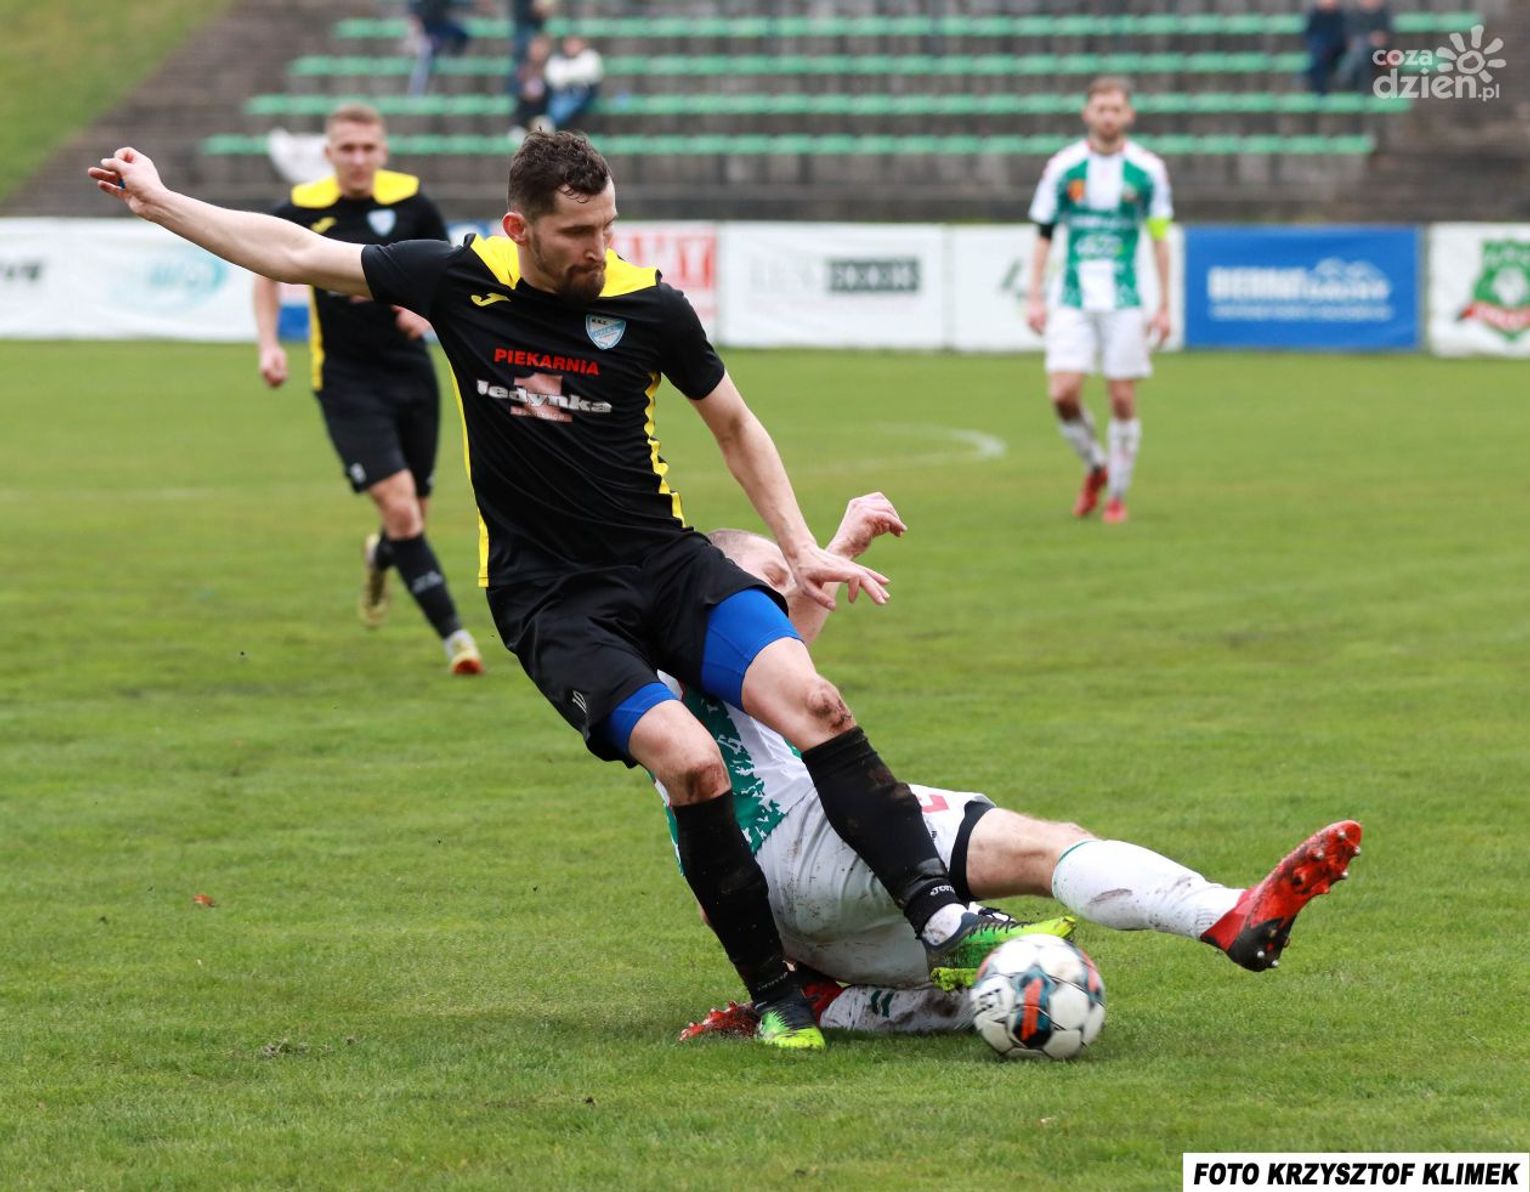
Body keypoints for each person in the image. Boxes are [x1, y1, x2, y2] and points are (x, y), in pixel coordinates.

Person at [90, 131, 1014, 1052]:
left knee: (816, 704)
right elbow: (294, 252)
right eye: (577, 233)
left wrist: (802, 549)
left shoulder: (650, 305)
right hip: (552, 600)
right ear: (519, 228)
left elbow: (735, 425)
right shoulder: (457, 280)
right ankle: (775, 993)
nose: (598, 248)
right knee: (691, 764)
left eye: (608, 225)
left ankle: (945, 922)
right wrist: (161, 200)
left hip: (667, 563)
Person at [665, 496, 1362, 1038]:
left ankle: (819, 999)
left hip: (770, 912)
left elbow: (778, 656)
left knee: (998, 984)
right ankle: (1227, 914)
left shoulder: (670, 691)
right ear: (713, 587)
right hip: (822, 838)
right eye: (768, 581)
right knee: (1047, 847)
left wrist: (836, 551)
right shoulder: (692, 632)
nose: (778, 597)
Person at [251, 104, 483, 676]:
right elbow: (263, 268)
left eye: (367, 148)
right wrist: (269, 344)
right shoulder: (301, 208)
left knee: (411, 518)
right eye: (347, 149)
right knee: (402, 510)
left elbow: (449, 274)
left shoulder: (412, 202)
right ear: (328, 153)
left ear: (383, 152)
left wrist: (426, 315)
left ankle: (381, 554)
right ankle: (456, 639)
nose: (357, 159)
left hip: (411, 374)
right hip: (345, 380)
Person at [1025, 76, 1173, 526]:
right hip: (1072, 296)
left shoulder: (1148, 170)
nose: (1108, 116)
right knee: (1062, 393)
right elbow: (1044, 233)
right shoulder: (1063, 167)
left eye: (1116, 109)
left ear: (1129, 115)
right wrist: (1034, 296)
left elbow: (1160, 237)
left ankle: (1118, 497)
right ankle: (1096, 465)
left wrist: (1165, 305)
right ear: (1087, 113)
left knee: (1122, 399)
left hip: (1124, 299)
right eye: (1101, 108)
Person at [544, 35, 604, 131]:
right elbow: (552, 79)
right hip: (561, 95)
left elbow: (592, 75)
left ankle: (551, 125)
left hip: (585, 95)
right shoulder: (556, 59)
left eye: (574, 44)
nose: (571, 47)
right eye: (568, 44)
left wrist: (566, 78)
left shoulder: (590, 57)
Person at [1337, 0, 1394, 93]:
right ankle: (1362, 87)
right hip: (1359, 51)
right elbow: (1350, 39)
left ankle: (1345, 77)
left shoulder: (1383, 15)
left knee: (1360, 53)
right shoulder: (1354, 15)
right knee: (1361, 53)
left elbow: (1386, 38)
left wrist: (1377, 39)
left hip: (1379, 53)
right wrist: (1369, 39)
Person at [1304, 0, 1349, 96]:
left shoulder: (1340, 16)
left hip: (1336, 50)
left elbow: (1342, 37)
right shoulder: (1315, 15)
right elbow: (1309, 36)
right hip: (1320, 51)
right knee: (1318, 55)